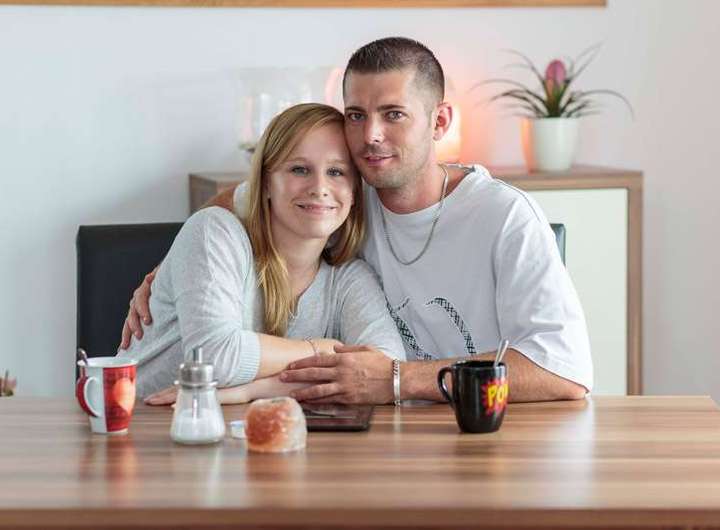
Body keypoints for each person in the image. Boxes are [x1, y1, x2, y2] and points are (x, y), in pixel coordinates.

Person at [121, 37, 592, 405]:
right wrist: (172, 269)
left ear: (440, 122)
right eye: (356, 115)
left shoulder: (504, 216)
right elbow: (241, 197)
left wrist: (395, 379)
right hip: (387, 433)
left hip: (485, 431)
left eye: (394, 114)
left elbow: (564, 370)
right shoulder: (347, 191)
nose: (371, 135)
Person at [117, 102, 404, 404]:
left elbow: (383, 370)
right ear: (266, 183)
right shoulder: (214, 232)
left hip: (237, 426)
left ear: (355, 192)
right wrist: (321, 349)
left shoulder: (348, 278)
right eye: (299, 169)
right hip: (138, 423)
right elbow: (213, 358)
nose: (320, 187)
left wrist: (250, 391)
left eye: (336, 172)